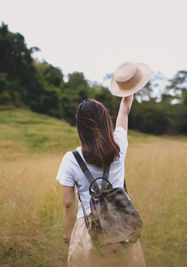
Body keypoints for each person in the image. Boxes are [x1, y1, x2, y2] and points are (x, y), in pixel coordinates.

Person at [56, 62, 150, 266]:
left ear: (80, 127)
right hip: (121, 225)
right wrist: (129, 86)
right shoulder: (119, 145)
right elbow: (124, 111)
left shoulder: (70, 159)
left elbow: (68, 203)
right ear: (106, 121)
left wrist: (68, 236)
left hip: (87, 230)